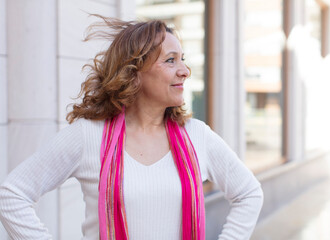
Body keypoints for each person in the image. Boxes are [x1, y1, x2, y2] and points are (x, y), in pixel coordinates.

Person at [0, 15, 263, 240]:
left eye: (183, 59)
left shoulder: (197, 136)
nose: (184, 70)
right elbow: (12, 195)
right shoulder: (89, 135)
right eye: (171, 60)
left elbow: (249, 194)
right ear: (134, 71)